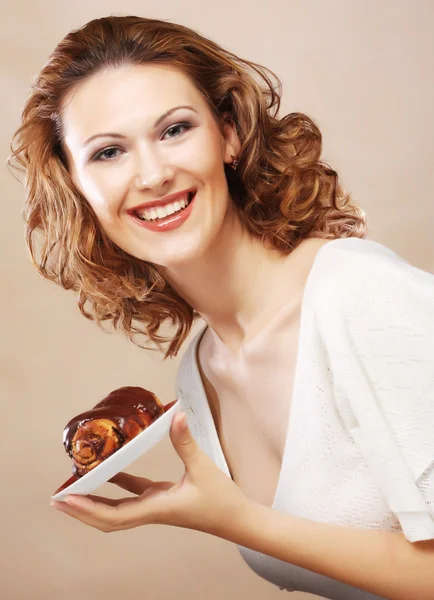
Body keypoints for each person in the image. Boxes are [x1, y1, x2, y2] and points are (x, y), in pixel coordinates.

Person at [8, 15, 434, 600]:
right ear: (77, 187)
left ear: (228, 135)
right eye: (109, 152)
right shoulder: (200, 372)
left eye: (175, 129)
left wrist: (232, 520)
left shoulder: (357, 295)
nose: (153, 174)